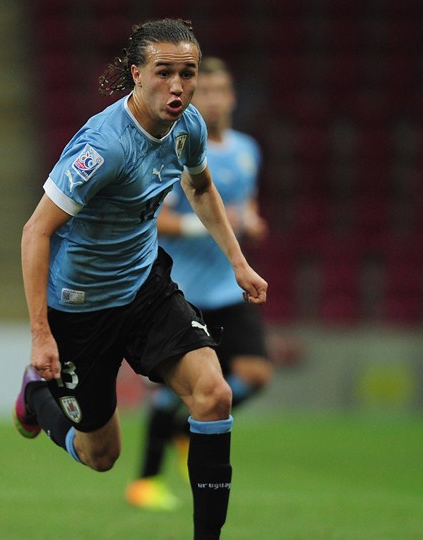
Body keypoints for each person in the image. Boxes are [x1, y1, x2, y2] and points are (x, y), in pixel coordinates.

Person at [15, 19, 267, 540]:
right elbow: (36, 231)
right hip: (81, 307)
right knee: (101, 454)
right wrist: (42, 332)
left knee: (214, 394)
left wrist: (238, 261)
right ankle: (37, 395)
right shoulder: (102, 147)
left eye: (187, 74)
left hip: (145, 285)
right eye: (163, 73)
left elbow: (201, 189)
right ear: (136, 75)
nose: (177, 86)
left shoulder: (189, 126)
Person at [125, 56, 273, 512]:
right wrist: (202, 226)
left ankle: (189, 426)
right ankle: (146, 482)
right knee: (176, 390)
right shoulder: (178, 144)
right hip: (184, 289)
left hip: (227, 289)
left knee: (255, 374)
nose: (210, 98)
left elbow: (244, 202)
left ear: (230, 96)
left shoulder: (248, 150)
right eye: (201, 91)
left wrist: (251, 220)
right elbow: (156, 217)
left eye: (218, 90)